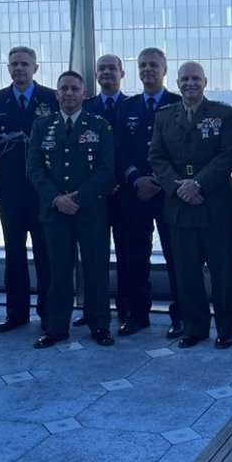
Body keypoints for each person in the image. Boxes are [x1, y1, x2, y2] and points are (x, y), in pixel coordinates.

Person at [149, 62, 232, 347]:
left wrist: (197, 183)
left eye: (196, 79)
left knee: (223, 273)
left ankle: (225, 329)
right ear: (177, 83)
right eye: (185, 79)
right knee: (187, 274)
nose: (190, 84)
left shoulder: (223, 113)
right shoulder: (165, 116)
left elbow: (229, 154)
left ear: (205, 82)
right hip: (180, 207)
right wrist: (180, 187)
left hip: (216, 206)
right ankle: (195, 327)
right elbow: (157, 157)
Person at [27, 71, 115, 349]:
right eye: (63, 88)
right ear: (56, 94)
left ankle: (99, 324)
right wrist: (56, 199)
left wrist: (79, 198)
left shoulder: (99, 125)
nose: (68, 93)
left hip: (91, 211)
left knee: (96, 270)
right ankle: (56, 327)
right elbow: (34, 169)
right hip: (54, 212)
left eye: (74, 88)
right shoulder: (42, 126)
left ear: (84, 93)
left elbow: (106, 169)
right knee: (58, 271)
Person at [0, 46, 58, 333]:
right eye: (14, 64)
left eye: (24, 64)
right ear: (8, 68)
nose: (19, 68)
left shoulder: (50, 98)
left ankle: (48, 312)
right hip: (10, 190)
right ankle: (16, 313)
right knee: (13, 255)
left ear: (35, 68)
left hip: (43, 191)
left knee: (45, 254)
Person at [116, 48, 183, 337]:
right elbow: (118, 148)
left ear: (164, 70)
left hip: (169, 194)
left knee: (177, 257)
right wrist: (135, 179)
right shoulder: (126, 106)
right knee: (134, 257)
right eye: (142, 65)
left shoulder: (178, 103)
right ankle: (137, 315)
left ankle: (181, 316)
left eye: (153, 65)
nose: (147, 70)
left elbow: (184, 149)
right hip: (135, 194)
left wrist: (158, 179)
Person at [79, 53, 130, 330]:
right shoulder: (85, 108)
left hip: (125, 194)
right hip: (93, 196)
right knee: (92, 256)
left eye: (112, 68)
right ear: (95, 75)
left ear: (122, 74)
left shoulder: (132, 106)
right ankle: (92, 309)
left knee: (127, 255)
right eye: (102, 68)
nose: (107, 72)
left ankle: (126, 310)